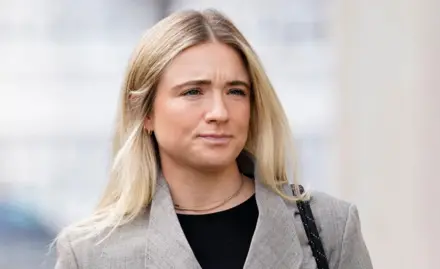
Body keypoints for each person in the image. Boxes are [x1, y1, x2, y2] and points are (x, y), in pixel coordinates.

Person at [54, 9, 373, 269]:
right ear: (145, 111)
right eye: (193, 91)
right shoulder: (91, 254)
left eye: (236, 91)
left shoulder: (328, 227)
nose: (219, 112)